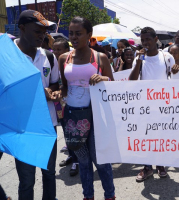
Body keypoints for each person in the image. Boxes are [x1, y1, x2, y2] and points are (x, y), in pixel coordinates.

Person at [57, 16, 115, 200]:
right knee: (82, 160)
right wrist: (59, 95)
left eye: (78, 33)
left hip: (97, 116)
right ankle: (87, 196)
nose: (73, 37)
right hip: (73, 117)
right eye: (71, 33)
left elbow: (114, 86)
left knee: (100, 160)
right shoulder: (63, 58)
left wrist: (104, 78)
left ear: (89, 35)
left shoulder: (100, 57)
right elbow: (65, 86)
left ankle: (109, 195)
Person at [14, 10, 60, 200]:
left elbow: (55, 83)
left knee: (49, 174)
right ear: (22, 28)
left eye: (44, 31)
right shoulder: (8, 58)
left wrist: (54, 92)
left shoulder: (49, 57)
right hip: (22, 128)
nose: (42, 35)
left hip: (48, 125)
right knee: (27, 180)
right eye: (37, 31)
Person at [129, 26, 179, 182]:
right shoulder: (139, 58)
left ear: (156, 39)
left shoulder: (166, 57)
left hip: (163, 105)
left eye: (148, 39)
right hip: (144, 106)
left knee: (161, 135)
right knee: (146, 136)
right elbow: (131, 81)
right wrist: (139, 61)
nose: (145, 43)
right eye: (142, 40)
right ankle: (147, 167)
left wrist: (177, 69)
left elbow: (177, 75)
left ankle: (161, 164)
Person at [52, 38, 79, 177]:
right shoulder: (51, 63)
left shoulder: (69, 65)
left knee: (73, 133)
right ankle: (71, 155)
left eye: (59, 49)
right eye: (54, 49)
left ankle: (77, 160)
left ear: (66, 51)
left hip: (71, 104)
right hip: (58, 105)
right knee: (65, 132)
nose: (55, 52)